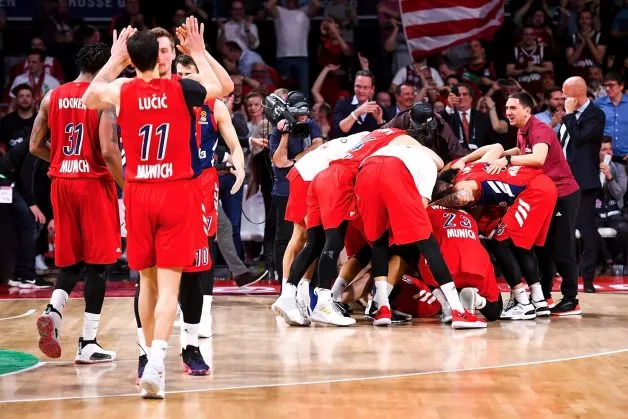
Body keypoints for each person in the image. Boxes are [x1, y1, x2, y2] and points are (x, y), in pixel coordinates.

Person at [81, 19, 222, 398]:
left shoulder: (123, 90)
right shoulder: (181, 89)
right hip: (175, 191)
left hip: (139, 193)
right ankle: (157, 361)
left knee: (147, 283)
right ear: (162, 58)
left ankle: (147, 356)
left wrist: (114, 59)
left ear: (132, 60)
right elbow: (221, 86)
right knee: (171, 286)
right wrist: (198, 51)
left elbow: (89, 97)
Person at [29, 43, 124, 363]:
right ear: (105, 68)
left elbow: (34, 146)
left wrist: (61, 160)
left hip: (61, 183)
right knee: (98, 265)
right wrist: (127, 187)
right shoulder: (102, 98)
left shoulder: (51, 96)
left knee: (70, 260)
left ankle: (53, 311)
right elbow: (109, 151)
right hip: (93, 184)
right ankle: (88, 343)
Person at [175, 53, 247, 346]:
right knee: (176, 246)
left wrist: (239, 165)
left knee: (204, 246)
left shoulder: (214, 105)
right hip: (173, 180)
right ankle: (182, 305)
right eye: (178, 74)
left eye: (188, 74)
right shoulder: (170, 101)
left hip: (203, 179)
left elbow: (234, 145)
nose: (183, 79)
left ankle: (204, 313)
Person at [486, 91, 581, 316]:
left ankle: (571, 299)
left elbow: (538, 158)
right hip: (544, 195)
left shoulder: (540, 129)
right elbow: (522, 151)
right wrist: (498, 153)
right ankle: (544, 297)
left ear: (527, 110)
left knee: (562, 248)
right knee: (542, 247)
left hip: (563, 193)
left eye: (513, 108)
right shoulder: (522, 130)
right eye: (506, 108)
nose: (508, 112)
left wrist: (507, 160)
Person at [274, 131, 369, 320]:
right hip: (310, 175)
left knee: (314, 240)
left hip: (315, 173)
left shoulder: (368, 137)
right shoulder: (382, 144)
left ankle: (297, 295)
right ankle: (291, 295)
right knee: (304, 237)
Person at [269, 91, 323, 285]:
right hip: (285, 189)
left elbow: (319, 145)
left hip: (308, 187)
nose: (303, 118)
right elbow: (279, 161)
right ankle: (283, 282)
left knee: (310, 236)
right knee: (285, 237)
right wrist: (284, 135)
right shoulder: (277, 130)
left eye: (305, 114)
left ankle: (306, 282)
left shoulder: (311, 124)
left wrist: (295, 159)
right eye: (298, 115)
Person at [560, 76, 606, 295]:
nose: (562, 97)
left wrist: (569, 115)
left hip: (584, 184)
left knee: (587, 231)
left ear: (577, 94)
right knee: (563, 230)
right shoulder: (568, 116)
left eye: (565, 93)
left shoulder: (595, 115)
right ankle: (564, 275)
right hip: (563, 182)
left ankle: (587, 278)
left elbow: (578, 138)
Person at [418, 206, 503, 322]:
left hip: (446, 270)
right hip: (478, 268)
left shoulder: (427, 210)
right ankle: (477, 299)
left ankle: (446, 305)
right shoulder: (469, 216)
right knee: (496, 309)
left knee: (423, 255)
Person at [0, 140, 53, 289]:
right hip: (3, 180)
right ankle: (25, 275)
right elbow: (26, 174)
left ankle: (20, 273)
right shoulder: (37, 143)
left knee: (31, 224)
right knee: (29, 224)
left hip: (9, 182)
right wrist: (32, 204)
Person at [266, 0, 320, 100]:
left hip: (302, 58)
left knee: (303, 93)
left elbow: (317, 4)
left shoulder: (305, 11)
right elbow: (269, 6)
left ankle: (303, 110)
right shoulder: (279, 11)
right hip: (283, 58)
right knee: (283, 95)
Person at [384, 102, 469, 163]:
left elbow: (456, 149)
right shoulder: (400, 120)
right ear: (410, 116)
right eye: (421, 124)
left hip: (434, 159)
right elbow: (382, 134)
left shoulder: (439, 123)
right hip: (406, 157)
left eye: (427, 124)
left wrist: (463, 161)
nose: (424, 126)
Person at [596, 137, 628, 284]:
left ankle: (615, 258)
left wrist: (610, 177)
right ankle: (605, 260)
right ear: (598, 153)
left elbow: (620, 194)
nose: (608, 152)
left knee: (624, 229)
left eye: (610, 149)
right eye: (604, 149)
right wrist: (598, 175)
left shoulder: (620, 169)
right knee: (589, 228)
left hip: (615, 212)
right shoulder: (590, 168)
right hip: (596, 212)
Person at [440, 83, 494, 151]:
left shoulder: (482, 117)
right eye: (458, 95)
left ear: (471, 98)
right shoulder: (448, 115)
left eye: (465, 94)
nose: (461, 97)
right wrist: (449, 106)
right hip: (455, 154)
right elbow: (440, 125)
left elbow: (491, 141)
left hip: (480, 154)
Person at [332, 70, 385, 138]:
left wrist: (379, 121)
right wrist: (357, 112)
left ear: (372, 89)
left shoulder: (379, 108)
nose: (361, 90)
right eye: (358, 86)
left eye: (365, 87)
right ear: (354, 86)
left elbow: (386, 136)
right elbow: (339, 130)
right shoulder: (342, 104)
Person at [595, 72, 628, 165]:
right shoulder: (597, 104)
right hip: (605, 157)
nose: (607, 88)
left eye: (611, 85)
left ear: (621, 86)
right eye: (605, 85)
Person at [0, 84, 35, 155]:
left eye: (28, 96)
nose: (25, 99)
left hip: (35, 161)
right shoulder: (6, 120)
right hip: (12, 161)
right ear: (16, 100)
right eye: (21, 96)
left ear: (33, 100)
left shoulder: (41, 120)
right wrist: (6, 157)